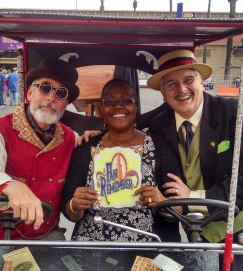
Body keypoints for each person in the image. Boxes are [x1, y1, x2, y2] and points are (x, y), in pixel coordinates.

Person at [146, 49, 243, 271]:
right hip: (196, 233)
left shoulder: (236, 113)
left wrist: (192, 198)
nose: (181, 89)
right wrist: (91, 136)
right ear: (163, 93)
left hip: (240, 229)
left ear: (202, 82)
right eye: (171, 84)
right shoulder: (159, 125)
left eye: (188, 80)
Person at [0, 58, 81, 269]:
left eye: (61, 93)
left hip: (44, 235)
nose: (51, 97)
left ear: (65, 103)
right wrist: (10, 186)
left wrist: (95, 139)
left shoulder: (71, 138)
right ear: (29, 93)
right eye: (45, 88)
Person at [62, 79, 182, 242]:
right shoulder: (86, 148)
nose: (118, 106)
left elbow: (179, 211)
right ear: (100, 109)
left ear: (136, 106)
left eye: (127, 100)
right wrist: (75, 205)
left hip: (147, 243)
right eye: (110, 101)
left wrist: (162, 203)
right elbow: (70, 212)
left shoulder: (159, 147)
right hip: (91, 243)